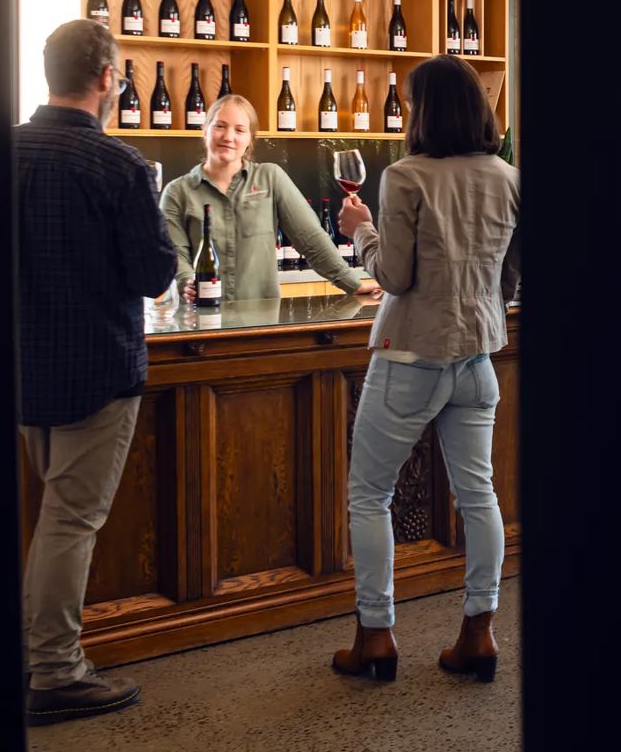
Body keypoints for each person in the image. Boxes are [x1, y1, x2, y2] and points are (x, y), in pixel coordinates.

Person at [331, 56, 521, 684]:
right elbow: (512, 273)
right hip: (477, 359)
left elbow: (393, 276)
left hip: (410, 357)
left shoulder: (404, 177)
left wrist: (360, 232)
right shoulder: (508, 176)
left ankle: (377, 635)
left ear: (425, 111)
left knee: (369, 494)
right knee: (479, 495)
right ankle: (479, 632)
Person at [16, 19, 178, 725]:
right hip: (95, 369)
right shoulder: (120, 167)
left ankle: (41, 655)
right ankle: (55, 671)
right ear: (109, 79)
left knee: (48, 516)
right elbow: (153, 272)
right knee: (69, 523)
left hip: (20, 364)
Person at [159, 93, 380, 302]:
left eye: (240, 130)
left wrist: (353, 284)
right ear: (205, 130)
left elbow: (311, 239)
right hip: (199, 318)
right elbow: (174, 254)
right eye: (220, 126)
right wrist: (187, 282)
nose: (228, 137)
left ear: (250, 139)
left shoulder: (270, 178)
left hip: (260, 318)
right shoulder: (177, 192)